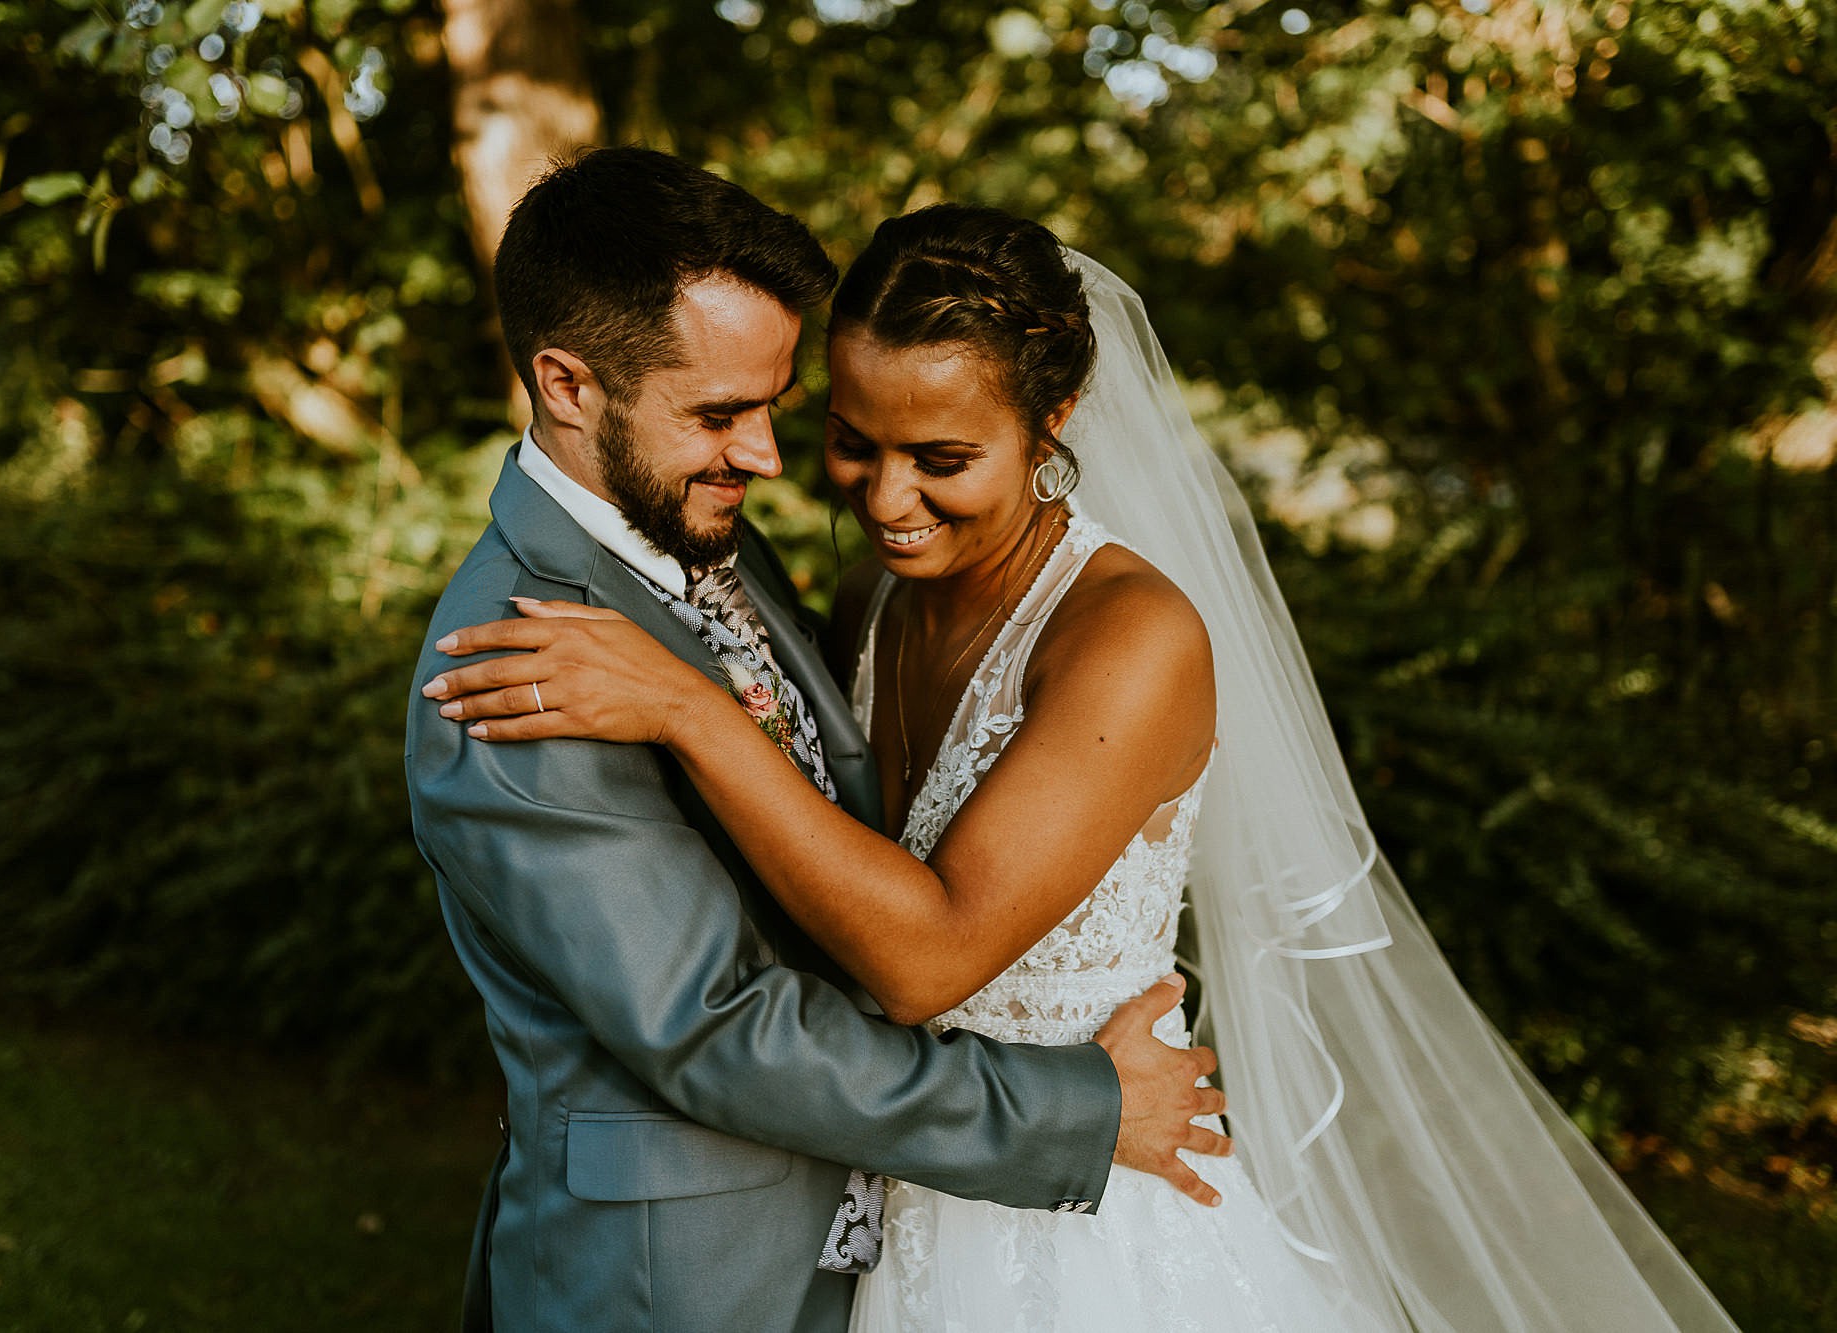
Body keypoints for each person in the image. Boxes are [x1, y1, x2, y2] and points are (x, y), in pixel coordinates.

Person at [426, 204, 1742, 1330]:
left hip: (1087, 1217)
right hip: (898, 1205)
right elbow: (767, 940)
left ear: (1053, 420)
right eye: (853, 441)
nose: (885, 500)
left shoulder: (1130, 638)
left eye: (943, 459)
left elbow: (925, 951)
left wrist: (694, 714)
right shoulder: (863, 594)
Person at [405, 151, 1232, 1333]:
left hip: (926, 1237)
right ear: (569, 386)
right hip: (677, 1281)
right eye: (719, 414)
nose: (772, 460)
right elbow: (716, 1025)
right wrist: (1078, 1111)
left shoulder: (720, 553)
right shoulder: (522, 662)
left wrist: (692, 708)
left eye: (776, 411)